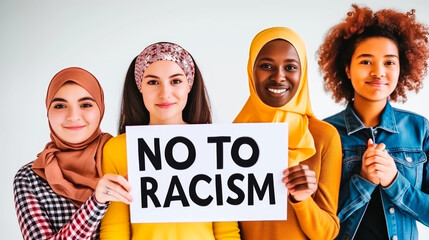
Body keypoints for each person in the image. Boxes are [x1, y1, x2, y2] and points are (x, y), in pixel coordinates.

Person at [100, 42, 240, 240]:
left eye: (175, 81)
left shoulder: (213, 144)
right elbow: (115, 230)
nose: (165, 93)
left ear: (189, 85)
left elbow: (226, 231)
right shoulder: (117, 149)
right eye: (152, 82)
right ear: (139, 86)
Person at [318, 4, 429, 240]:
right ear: (347, 69)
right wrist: (363, 181)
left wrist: (394, 182)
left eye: (389, 62)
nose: (378, 72)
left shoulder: (420, 130)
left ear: (402, 68)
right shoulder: (323, 132)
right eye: (366, 62)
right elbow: (316, 222)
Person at [235, 27, 342, 240]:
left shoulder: (323, 136)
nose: (278, 77)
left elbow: (328, 233)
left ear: (302, 74)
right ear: (251, 70)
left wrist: (303, 200)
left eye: (290, 67)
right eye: (266, 66)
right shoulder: (230, 139)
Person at [13, 67, 133, 239]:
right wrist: (96, 202)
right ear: (48, 111)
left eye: (86, 104)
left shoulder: (125, 159)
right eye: (60, 106)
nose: (73, 116)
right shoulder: (30, 178)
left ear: (100, 108)